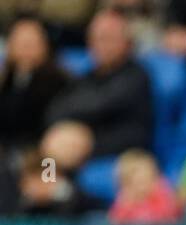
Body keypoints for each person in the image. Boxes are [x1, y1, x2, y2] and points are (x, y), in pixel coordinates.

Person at [43, 9, 154, 166]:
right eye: (96, 39)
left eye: (108, 38)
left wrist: (85, 138)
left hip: (119, 151)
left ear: (127, 42)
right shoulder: (88, 76)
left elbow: (104, 105)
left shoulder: (136, 76)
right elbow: (55, 111)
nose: (101, 45)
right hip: (76, 148)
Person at [0, 17, 70, 156]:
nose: (25, 49)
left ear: (44, 46)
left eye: (31, 43)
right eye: (20, 43)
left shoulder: (59, 80)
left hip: (39, 149)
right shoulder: (7, 79)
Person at [107, 148, 181, 224]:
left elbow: (171, 214)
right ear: (125, 184)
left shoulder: (161, 195)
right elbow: (115, 222)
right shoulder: (124, 201)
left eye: (148, 180)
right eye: (139, 183)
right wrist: (126, 204)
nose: (144, 187)